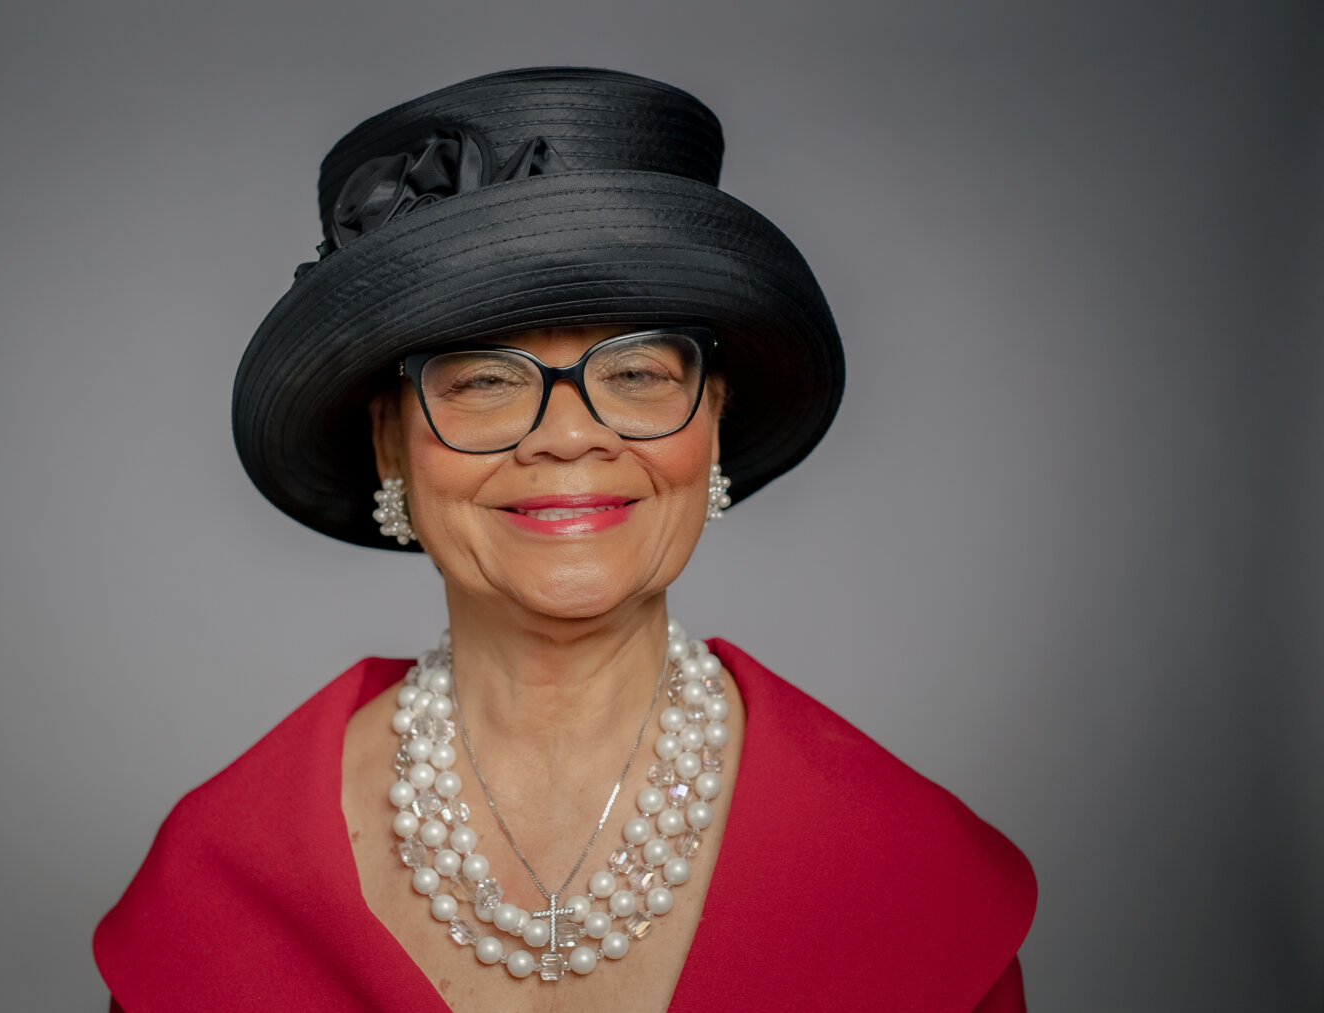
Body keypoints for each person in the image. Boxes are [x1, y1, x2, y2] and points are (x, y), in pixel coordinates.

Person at [94, 67, 1036, 1012]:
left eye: (634, 371)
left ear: (711, 414)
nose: (571, 433)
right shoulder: (221, 881)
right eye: (485, 379)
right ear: (391, 439)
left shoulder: (911, 875)